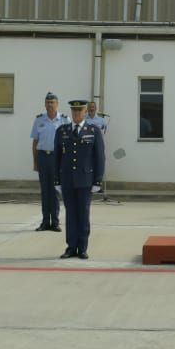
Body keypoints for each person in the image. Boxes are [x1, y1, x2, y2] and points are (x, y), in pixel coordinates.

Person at [55, 99, 105, 258]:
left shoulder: (93, 130)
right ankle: (71, 247)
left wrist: (98, 180)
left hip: (85, 180)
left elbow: (100, 157)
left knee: (83, 214)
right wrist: (57, 180)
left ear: (85, 113)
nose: (76, 113)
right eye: (74, 111)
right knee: (70, 214)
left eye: (80, 111)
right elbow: (57, 157)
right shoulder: (62, 131)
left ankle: (82, 247)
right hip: (68, 180)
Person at [29, 93, 68, 232]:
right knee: (45, 191)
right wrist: (35, 161)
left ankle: (55, 222)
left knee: (56, 190)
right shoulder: (39, 120)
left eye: (52, 102)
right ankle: (45, 221)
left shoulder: (64, 120)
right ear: (45, 104)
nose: (50, 105)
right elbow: (35, 142)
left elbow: (68, 142)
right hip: (43, 157)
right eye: (47, 102)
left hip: (57, 158)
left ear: (57, 104)